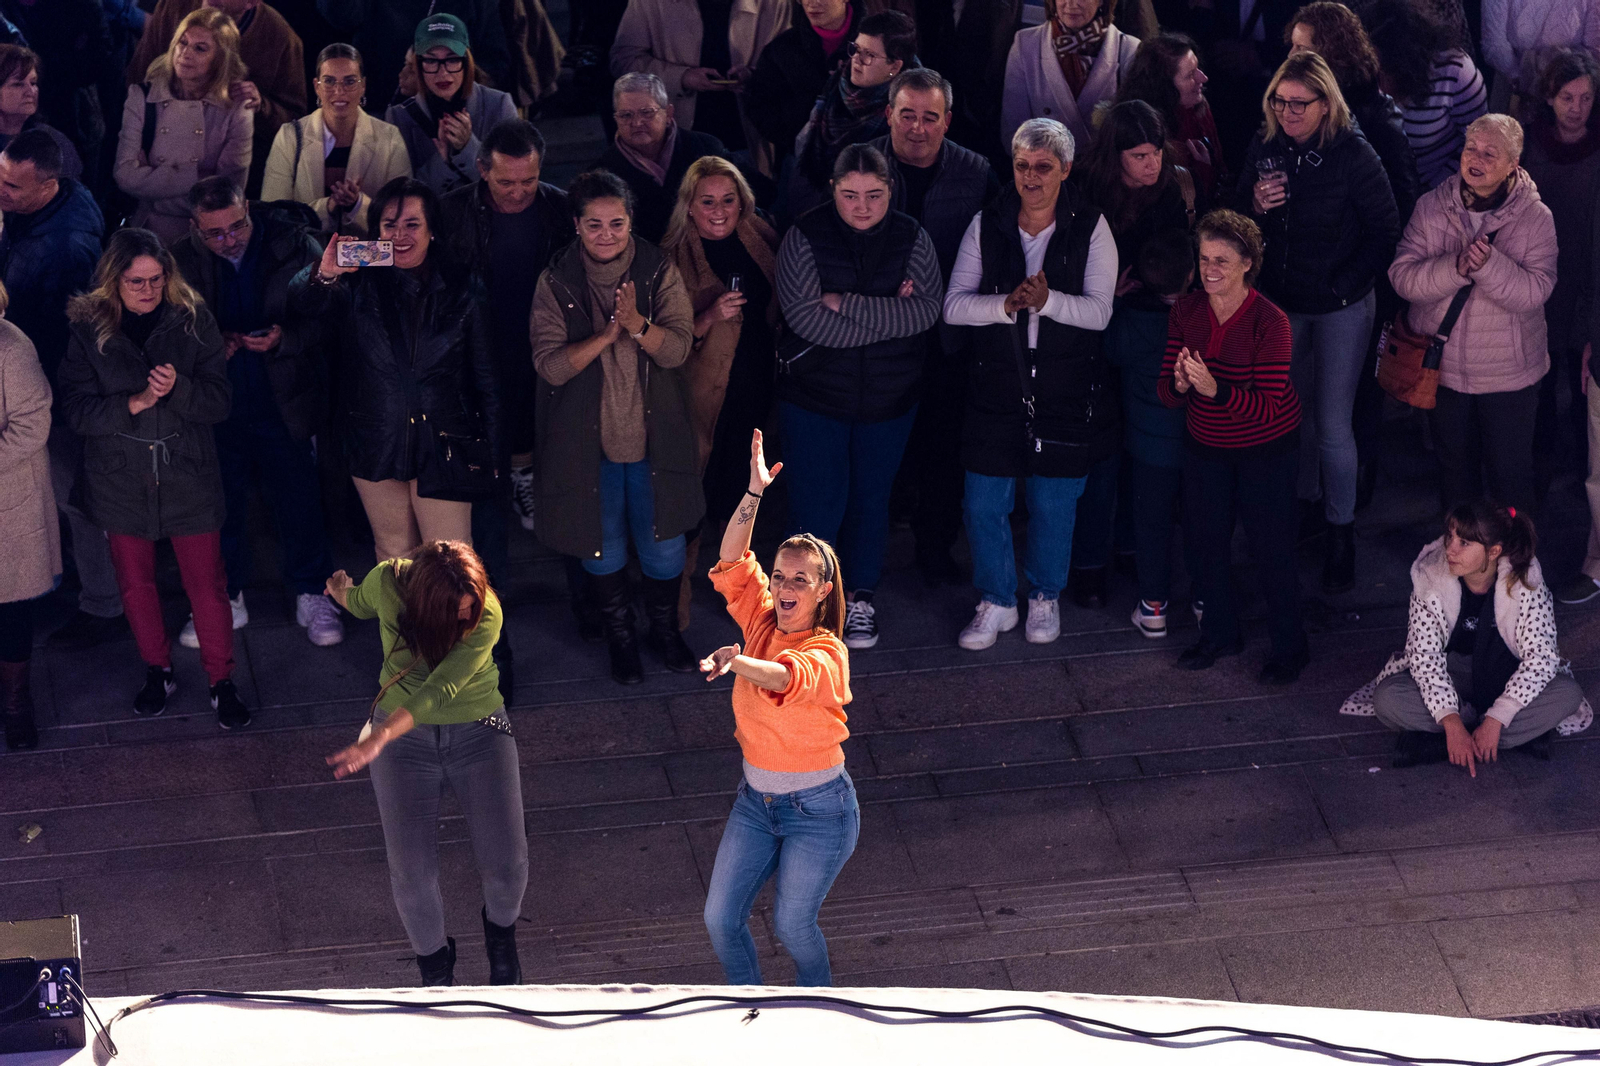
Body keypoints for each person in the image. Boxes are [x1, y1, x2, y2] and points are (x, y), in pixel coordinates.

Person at [59, 228, 251, 727]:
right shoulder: (87, 328)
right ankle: (157, 669)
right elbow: (76, 412)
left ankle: (220, 679)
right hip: (120, 478)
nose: (148, 291)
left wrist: (179, 391)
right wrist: (135, 403)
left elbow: (220, 402)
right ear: (112, 282)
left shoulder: (193, 320)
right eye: (135, 282)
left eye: (156, 279)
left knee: (207, 586)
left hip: (188, 473)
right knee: (135, 583)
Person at [943, 118, 1117, 650]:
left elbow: (1100, 313)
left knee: (1054, 502)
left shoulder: (1090, 225)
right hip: (997, 379)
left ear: (1065, 169)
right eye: (1022, 166)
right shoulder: (987, 222)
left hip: (1064, 384)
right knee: (983, 501)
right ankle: (997, 601)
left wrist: (1047, 303)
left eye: (1043, 167)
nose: (1031, 177)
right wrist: (1005, 305)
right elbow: (953, 307)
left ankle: (1044, 597)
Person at [322, 540, 526, 987]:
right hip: (401, 743)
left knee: (507, 863)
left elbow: (441, 689)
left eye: (470, 607)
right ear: (425, 604)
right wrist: (341, 592)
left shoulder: (486, 612)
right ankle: (435, 969)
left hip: (479, 729)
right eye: (455, 610)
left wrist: (378, 737)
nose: (464, 618)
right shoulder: (389, 583)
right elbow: (360, 603)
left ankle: (501, 941)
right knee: (412, 872)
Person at [530, 170, 701, 684]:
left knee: (664, 544)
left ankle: (665, 632)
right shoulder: (555, 279)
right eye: (595, 225)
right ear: (577, 226)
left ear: (631, 222)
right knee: (601, 547)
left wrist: (638, 326)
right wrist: (607, 336)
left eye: (617, 224)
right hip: (589, 444)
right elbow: (550, 366)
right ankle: (621, 640)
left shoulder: (657, 269)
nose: (607, 235)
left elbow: (678, 349)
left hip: (655, 438)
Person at [700, 428, 857, 988]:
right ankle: (752, 1011)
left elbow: (784, 677)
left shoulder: (827, 651)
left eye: (800, 579)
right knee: (720, 919)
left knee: (793, 926)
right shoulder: (762, 616)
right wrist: (753, 493)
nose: (786, 586)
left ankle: (817, 1008)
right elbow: (731, 557)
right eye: (781, 575)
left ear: (822, 590)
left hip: (820, 810)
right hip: (756, 802)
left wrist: (737, 662)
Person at [1239, 51, 1398, 594]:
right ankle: (1305, 507)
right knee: (1292, 414)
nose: (1287, 112)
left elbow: (1385, 231)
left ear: (1325, 103)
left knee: (1332, 424)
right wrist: (1255, 206)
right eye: (1279, 102)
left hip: (1340, 304)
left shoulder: (1354, 154)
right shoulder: (1266, 147)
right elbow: (1234, 214)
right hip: (1284, 300)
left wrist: (1341, 284)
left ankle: (1340, 532)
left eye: (1298, 104)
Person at [776, 144, 943, 649]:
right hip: (814, 397)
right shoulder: (804, 235)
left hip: (889, 400)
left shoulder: (913, 236)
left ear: (891, 190)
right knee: (817, 503)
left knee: (872, 501)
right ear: (833, 190)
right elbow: (805, 320)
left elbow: (927, 311)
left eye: (874, 194)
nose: (863, 206)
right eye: (850, 195)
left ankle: (860, 598)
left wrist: (843, 303)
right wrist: (887, 315)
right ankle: (808, 609)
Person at [289, 177, 501, 563]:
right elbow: (302, 303)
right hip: (375, 437)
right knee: (393, 556)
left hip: (444, 440)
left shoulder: (461, 285)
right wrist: (325, 272)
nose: (400, 235)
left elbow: (485, 376)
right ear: (376, 230)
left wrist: (495, 448)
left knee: (451, 561)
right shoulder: (359, 278)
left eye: (412, 224)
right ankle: (401, 626)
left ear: (432, 229)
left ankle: (460, 627)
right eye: (390, 225)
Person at [170, 176, 341, 649]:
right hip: (218, 407)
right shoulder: (180, 260)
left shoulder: (291, 243)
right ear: (194, 228)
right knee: (220, 506)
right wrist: (209, 347)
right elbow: (167, 331)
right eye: (215, 233)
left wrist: (286, 339)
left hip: (282, 398)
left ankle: (312, 591)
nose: (228, 240)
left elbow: (331, 314)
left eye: (236, 227)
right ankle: (227, 597)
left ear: (247, 209)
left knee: (300, 500)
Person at [1158, 209, 1308, 682]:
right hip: (1206, 447)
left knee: (1272, 549)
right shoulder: (1185, 311)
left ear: (1248, 263)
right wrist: (1182, 385)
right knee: (1204, 546)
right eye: (1204, 259)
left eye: (1222, 260)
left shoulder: (1272, 321)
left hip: (1267, 450)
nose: (1210, 270)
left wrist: (1214, 390)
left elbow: (1268, 407)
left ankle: (1290, 647)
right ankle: (1220, 634)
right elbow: (1164, 392)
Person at [868, 67, 1000, 586]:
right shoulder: (863, 163)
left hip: (949, 337)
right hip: (879, 334)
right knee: (881, 450)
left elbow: (998, 248)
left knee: (944, 447)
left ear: (947, 121)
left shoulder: (976, 171)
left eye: (929, 117)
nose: (917, 128)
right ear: (888, 115)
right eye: (906, 115)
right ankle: (864, 561)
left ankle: (934, 547)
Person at [1389, 114, 1557, 515]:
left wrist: (1488, 266)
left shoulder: (1536, 218)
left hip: (1509, 376)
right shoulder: (1432, 206)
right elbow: (1401, 277)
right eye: (1470, 148)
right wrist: (1455, 268)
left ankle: (1517, 572)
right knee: (1455, 478)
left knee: (1511, 480)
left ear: (1513, 164)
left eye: (1489, 153)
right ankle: (1461, 568)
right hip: (1444, 372)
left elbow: (1537, 290)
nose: (1475, 159)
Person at [1341, 502, 1592, 770]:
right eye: (1450, 537)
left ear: (1493, 552)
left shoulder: (1525, 580)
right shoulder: (1431, 577)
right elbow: (1424, 657)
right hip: (1454, 679)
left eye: (1464, 543)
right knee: (1387, 699)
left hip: (1505, 678)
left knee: (1567, 694)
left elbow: (1541, 659)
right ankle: (1500, 738)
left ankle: (1443, 744)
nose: (1450, 549)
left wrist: (1497, 718)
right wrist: (1450, 720)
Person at [0, 131, 124, 652]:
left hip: (53, 389)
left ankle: (103, 603)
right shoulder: (58, 203)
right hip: (37, 380)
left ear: (48, 184)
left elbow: (68, 336)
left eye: (12, 187)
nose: (1, 191)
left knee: (76, 498)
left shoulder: (65, 247)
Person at [1066, 99, 1190, 609]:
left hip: (1146, 322)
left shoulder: (1166, 191)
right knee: (1100, 453)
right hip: (1092, 328)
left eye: (1156, 152)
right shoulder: (1086, 190)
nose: (1152, 164)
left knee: (1142, 450)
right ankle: (1090, 563)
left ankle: (1132, 547)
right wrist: (1099, 289)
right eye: (1138, 155)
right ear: (1115, 156)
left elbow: (1175, 250)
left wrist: (1162, 285)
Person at [662, 155, 780, 627]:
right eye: (706, 200)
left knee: (742, 501)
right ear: (689, 206)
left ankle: (743, 604)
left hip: (755, 392)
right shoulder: (669, 256)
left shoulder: (761, 238)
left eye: (728, 200)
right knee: (692, 503)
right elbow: (657, 342)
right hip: (699, 400)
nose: (718, 210)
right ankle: (676, 611)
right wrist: (708, 317)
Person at [1106, 229, 1199, 638]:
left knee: (1151, 523)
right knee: (1202, 522)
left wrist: (1115, 298)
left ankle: (1153, 607)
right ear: (1193, 274)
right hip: (1201, 444)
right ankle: (1205, 601)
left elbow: (1107, 349)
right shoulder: (1204, 320)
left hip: (1146, 448)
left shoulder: (1131, 322)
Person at [126, 0, 307, 198]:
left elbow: (295, 125)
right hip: (156, 158)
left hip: (226, 180)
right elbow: (139, 77)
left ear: (251, 3)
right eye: (183, 43)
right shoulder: (174, 5)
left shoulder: (279, 37)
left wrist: (262, 106)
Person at [1521, 50, 1600, 483]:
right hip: (1541, 269)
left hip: (1588, 270)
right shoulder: (1531, 143)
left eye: (1586, 98)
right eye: (1568, 97)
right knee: (1543, 375)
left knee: (1584, 372)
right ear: (1550, 97)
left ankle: (1585, 460)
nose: (1577, 108)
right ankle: (1544, 459)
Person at [117, 8, 255, 246]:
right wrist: (199, 175)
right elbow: (125, 176)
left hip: (206, 238)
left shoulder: (236, 108)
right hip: (147, 231)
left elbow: (227, 193)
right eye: (182, 43)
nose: (185, 53)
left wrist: (152, 187)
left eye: (200, 48)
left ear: (220, 59)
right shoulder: (142, 96)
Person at [1286, 2, 1419, 224]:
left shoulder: (1378, 122)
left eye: (1301, 49)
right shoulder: (1293, 103)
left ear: (1332, 56)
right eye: (1292, 46)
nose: (1291, 56)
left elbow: (1401, 205)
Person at [609, 0, 791, 159]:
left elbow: (790, 63)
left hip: (753, 135)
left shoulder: (775, 3)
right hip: (679, 135)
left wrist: (753, 75)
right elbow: (624, 60)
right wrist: (683, 77)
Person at [261, 43, 412, 234]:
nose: (339, 91)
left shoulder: (390, 138)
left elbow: (403, 216)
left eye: (349, 81)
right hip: (308, 257)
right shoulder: (290, 136)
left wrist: (358, 205)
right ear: (317, 86)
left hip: (370, 258)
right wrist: (328, 207)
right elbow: (273, 214)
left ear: (363, 86)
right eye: (329, 81)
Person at [0, 284, 57, 751]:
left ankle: (17, 701)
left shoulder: (11, 348)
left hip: (7, 500)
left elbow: (33, 425)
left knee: (10, 608)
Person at [791, 10, 915, 207]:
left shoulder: (908, 114)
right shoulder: (835, 86)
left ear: (895, 66)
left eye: (870, 55)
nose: (856, 59)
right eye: (856, 49)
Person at [1360, 0, 1487, 190]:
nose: (1379, 81)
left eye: (1387, 70)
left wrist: (1431, 192)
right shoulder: (1361, 67)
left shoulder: (1454, 71)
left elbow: (1479, 147)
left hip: (1439, 187)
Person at [385, 14, 517, 196]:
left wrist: (467, 147)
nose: (443, 72)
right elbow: (405, 196)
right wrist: (442, 162)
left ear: (466, 62)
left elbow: (512, 181)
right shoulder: (399, 117)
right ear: (418, 65)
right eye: (431, 61)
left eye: (452, 59)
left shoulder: (499, 105)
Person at [314, 0, 512, 118]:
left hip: (449, 116)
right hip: (377, 110)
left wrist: (437, 83)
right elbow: (340, 16)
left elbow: (495, 65)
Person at [595, 71, 730, 243]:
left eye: (647, 112)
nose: (637, 122)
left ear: (668, 113)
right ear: (615, 118)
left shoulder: (707, 149)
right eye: (626, 115)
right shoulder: (603, 173)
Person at [1002, 0, 1141, 151]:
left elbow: (1136, 134)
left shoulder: (1129, 49)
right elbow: (1014, 131)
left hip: (1102, 170)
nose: (1071, 3)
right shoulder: (1026, 45)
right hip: (1047, 168)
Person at [1115, 33, 1230, 211]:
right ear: (1164, 87)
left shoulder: (1200, 109)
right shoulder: (1140, 130)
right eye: (1191, 75)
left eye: (1198, 69)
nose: (1203, 78)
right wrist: (1200, 172)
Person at [747, 0, 860, 172]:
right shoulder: (782, 49)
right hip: (801, 162)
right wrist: (795, 139)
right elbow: (759, 104)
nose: (812, 3)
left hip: (868, 156)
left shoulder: (877, 41)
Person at [1479, 0, 1600, 111]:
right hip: (1514, 88)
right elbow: (1494, 44)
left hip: (1574, 89)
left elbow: (1593, 49)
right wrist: (1522, 78)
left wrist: (1562, 81)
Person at [0, 46, 83, 181]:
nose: (30, 92)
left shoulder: (55, 142)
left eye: (33, 83)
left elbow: (72, 198)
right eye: (18, 84)